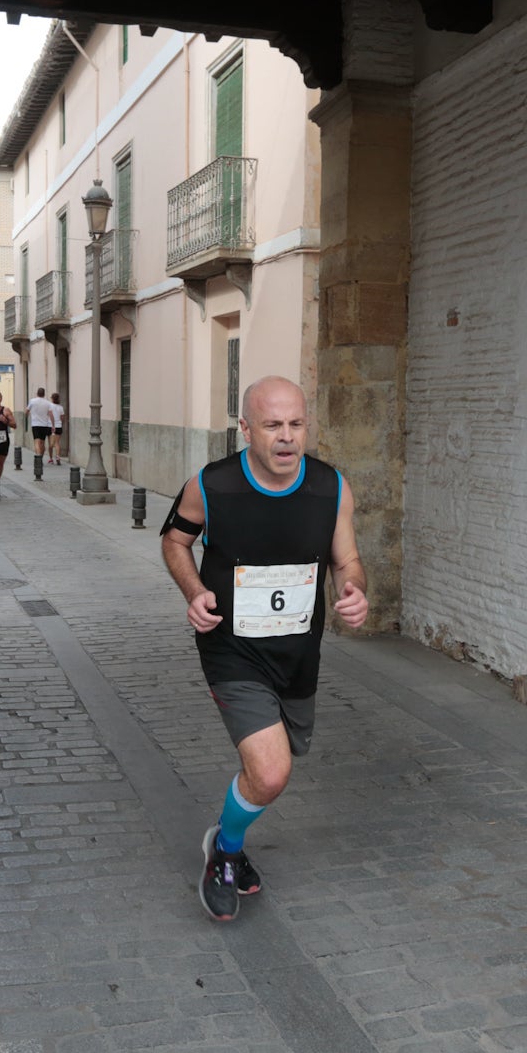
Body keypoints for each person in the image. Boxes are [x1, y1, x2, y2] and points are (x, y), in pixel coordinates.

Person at [159, 376, 368, 922]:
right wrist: (194, 591)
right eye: (273, 425)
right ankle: (225, 854)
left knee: (278, 761)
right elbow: (175, 540)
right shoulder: (211, 486)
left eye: (296, 424)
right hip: (232, 649)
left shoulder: (331, 488)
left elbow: (347, 560)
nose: (286, 437)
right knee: (272, 773)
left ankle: (227, 835)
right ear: (246, 428)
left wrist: (355, 590)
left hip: (298, 655)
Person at [26, 387, 54, 471]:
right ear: (44, 394)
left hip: (35, 424)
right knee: (42, 443)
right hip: (44, 425)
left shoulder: (32, 401)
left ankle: (38, 459)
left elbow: (27, 411)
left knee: (37, 442)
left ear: (37, 393)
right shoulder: (48, 403)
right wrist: (53, 425)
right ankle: (40, 458)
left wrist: (26, 418)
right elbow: (51, 414)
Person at [48, 392, 66, 465]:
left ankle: (51, 458)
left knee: (50, 444)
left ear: (52, 398)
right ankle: (58, 456)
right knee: (57, 443)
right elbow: (62, 417)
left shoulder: (50, 406)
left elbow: (49, 415)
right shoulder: (60, 407)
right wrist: (59, 422)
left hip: (51, 426)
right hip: (59, 426)